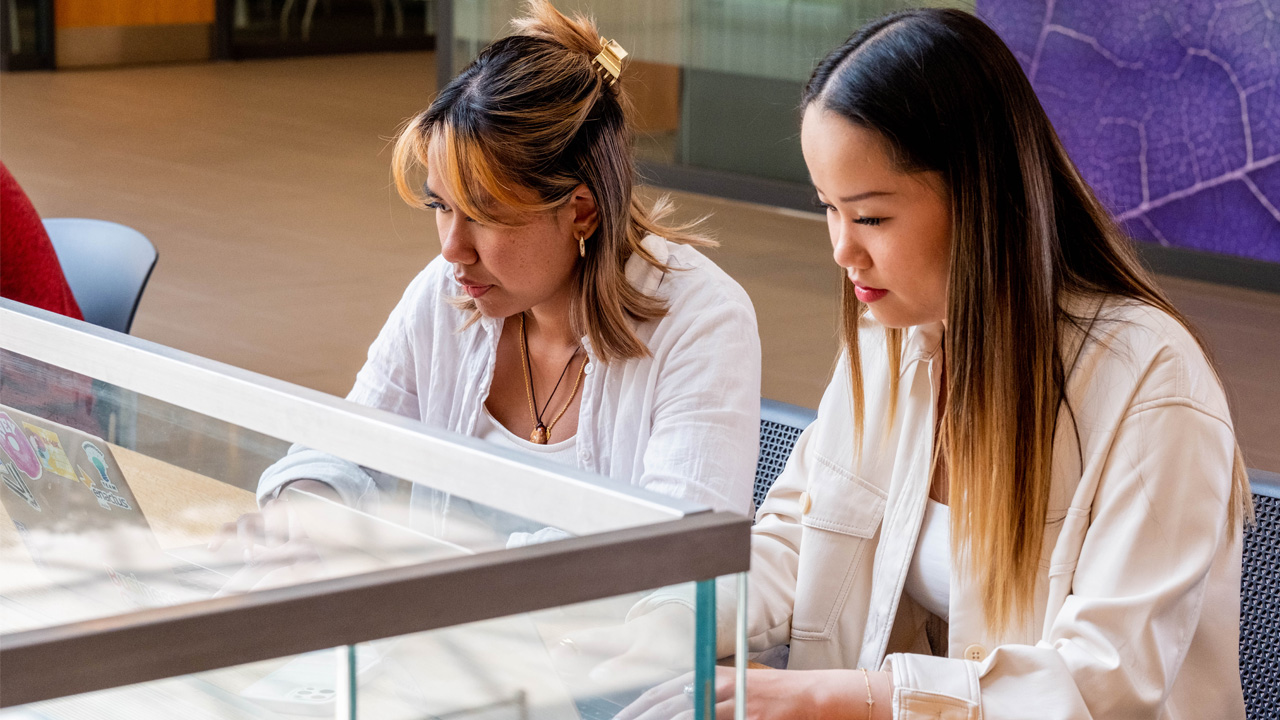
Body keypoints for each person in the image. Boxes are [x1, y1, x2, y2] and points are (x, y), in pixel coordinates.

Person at [608, 9, 1250, 719]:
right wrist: (658, 622)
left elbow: (1103, 680)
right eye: (828, 209)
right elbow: (796, 541)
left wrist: (833, 695)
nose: (841, 251)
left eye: (871, 217)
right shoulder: (895, 336)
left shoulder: (1152, 382)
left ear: (981, 197)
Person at [247, 0, 761, 549]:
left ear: (581, 210)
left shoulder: (702, 323)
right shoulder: (448, 291)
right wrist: (306, 505)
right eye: (440, 206)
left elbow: (672, 555)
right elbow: (347, 443)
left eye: (486, 215)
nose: (452, 250)